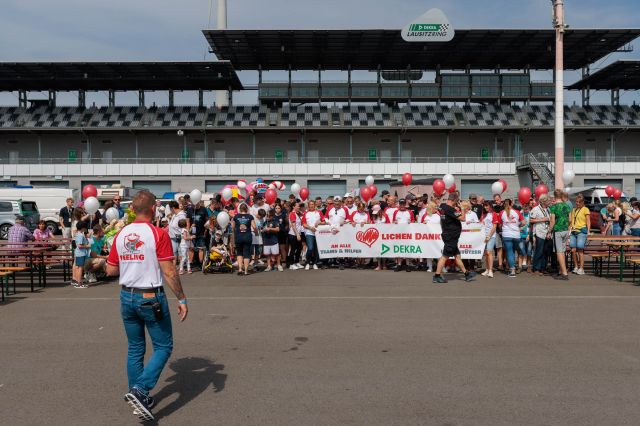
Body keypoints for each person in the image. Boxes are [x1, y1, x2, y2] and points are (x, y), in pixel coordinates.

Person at [106, 190, 187, 422]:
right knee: (163, 346)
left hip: (127, 296)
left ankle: (138, 396)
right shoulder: (157, 234)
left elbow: (111, 270)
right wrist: (181, 298)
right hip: (150, 296)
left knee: (135, 348)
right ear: (153, 209)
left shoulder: (121, 234)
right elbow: (169, 271)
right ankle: (140, 389)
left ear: (133, 209)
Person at [433, 193, 476, 283]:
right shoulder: (450, 209)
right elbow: (463, 218)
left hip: (448, 234)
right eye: (456, 202)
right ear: (453, 200)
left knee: (457, 256)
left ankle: (466, 274)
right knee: (445, 256)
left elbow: (439, 208)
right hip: (451, 236)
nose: (456, 204)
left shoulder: (442, 206)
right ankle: (437, 275)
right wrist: (463, 209)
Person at [499, 199, 525, 278]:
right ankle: (519, 264)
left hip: (507, 235)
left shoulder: (501, 213)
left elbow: (500, 225)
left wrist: (504, 227)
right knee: (515, 251)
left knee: (510, 252)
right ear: (512, 203)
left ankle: (512, 270)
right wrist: (518, 225)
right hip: (516, 235)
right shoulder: (517, 212)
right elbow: (524, 222)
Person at [549, 189, 571, 280]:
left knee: (559, 252)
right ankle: (562, 270)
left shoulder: (553, 207)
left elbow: (552, 221)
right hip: (565, 230)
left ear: (554, 196)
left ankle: (564, 273)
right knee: (562, 251)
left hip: (558, 230)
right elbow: (570, 220)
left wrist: (549, 230)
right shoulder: (567, 206)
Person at [232, 203, 257, 276]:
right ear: (247, 209)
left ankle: (240, 269)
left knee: (239, 253)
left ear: (239, 209)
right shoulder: (250, 216)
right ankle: (246, 271)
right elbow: (254, 227)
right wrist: (256, 233)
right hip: (247, 236)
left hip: (239, 236)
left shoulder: (236, 216)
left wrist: (235, 232)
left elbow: (232, 226)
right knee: (247, 253)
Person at [530, 194, 551, 275]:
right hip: (539, 233)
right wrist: (542, 219)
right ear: (543, 201)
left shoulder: (548, 209)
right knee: (539, 251)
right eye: (547, 200)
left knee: (546, 251)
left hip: (547, 233)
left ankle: (543, 267)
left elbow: (549, 220)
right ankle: (536, 268)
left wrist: (549, 231)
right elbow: (531, 220)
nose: (549, 202)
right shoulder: (535, 209)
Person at [569, 195, 591, 275]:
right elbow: (571, 221)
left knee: (580, 250)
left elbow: (588, 221)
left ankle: (581, 268)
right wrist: (569, 230)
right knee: (573, 250)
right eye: (576, 202)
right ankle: (576, 266)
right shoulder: (574, 210)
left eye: (579, 202)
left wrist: (588, 231)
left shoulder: (585, 209)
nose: (577, 203)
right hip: (573, 231)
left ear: (582, 202)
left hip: (581, 231)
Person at [302, 200, 324, 270]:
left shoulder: (319, 212)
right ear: (308, 206)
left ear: (315, 205)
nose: (311, 206)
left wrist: (319, 223)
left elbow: (324, 221)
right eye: (310, 204)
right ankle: (308, 262)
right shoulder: (306, 213)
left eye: (312, 204)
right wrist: (310, 228)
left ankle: (315, 263)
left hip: (318, 233)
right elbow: (304, 224)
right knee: (310, 248)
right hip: (309, 233)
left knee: (316, 250)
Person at [420, 201, 441, 273]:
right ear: (431, 208)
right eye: (435, 207)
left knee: (439, 252)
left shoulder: (439, 215)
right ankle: (430, 267)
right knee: (428, 252)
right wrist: (423, 223)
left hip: (437, 237)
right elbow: (419, 226)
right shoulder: (425, 216)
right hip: (428, 237)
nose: (436, 208)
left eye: (436, 207)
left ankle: (441, 267)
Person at [190, 200, 209, 270]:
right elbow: (188, 221)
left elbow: (207, 220)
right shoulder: (190, 209)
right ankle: (191, 264)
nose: (194, 205)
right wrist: (188, 230)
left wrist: (206, 230)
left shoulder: (203, 209)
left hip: (201, 232)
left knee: (201, 248)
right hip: (192, 233)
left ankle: (201, 264)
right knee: (191, 249)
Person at [72, 221, 91, 288]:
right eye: (85, 227)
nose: (86, 229)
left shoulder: (78, 234)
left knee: (78, 267)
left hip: (79, 253)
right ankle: (79, 282)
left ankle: (78, 281)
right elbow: (79, 246)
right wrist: (87, 246)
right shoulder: (80, 235)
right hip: (80, 253)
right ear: (83, 228)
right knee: (80, 268)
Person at [287, 202, 304, 270]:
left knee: (299, 248)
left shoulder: (297, 214)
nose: (299, 207)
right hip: (293, 234)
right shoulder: (292, 214)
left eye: (299, 206)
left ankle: (297, 262)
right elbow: (293, 226)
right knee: (293, 249)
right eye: (297, 206)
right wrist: (297, 234)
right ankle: (291, 264)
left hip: (298, 234)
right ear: (293, 206)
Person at [517, 203, 532, 273]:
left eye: (527, 209)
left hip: (528, 236)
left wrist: (529, 235)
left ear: (529, 209)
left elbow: (532, 227)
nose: (525, 210)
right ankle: (520, 267)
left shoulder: (531, 216)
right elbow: (517, 225)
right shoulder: (520, 216)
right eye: (524, 209)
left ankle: (529, 267)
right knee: (520, 252)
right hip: (521, 236)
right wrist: (519, 227)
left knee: (529, 252)